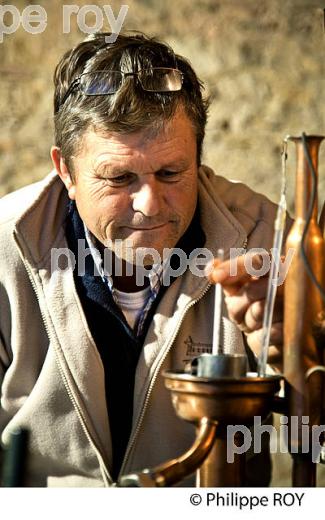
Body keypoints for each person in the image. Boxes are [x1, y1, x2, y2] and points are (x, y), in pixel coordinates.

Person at [0, 32, 283, 487]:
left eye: (171, 172)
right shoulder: (5, 245)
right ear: (66, 171)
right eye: (119, 177)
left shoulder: (267, 239)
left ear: (199, 158)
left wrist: (297, 353)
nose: (150, 204)